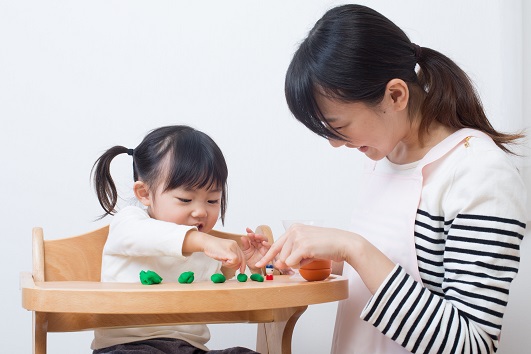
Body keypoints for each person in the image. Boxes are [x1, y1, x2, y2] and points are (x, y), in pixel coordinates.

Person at [256, 4, 527, 354]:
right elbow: (394, 270)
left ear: (396, 95)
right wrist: (315, 257)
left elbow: (472, 345)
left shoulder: (479, 172)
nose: (336, 144)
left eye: (339, 127)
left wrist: (352, 246)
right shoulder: (386, 157)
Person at [90, 125, 267, 354]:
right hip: (126, 347)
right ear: (144, 193)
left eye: (212, 200)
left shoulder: (207, 247)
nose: (201, 212)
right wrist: (204, 242)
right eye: (185, 199)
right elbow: (149, 236)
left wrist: (252, 264)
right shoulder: (128, 223)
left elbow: (230, 294)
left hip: (190, 349)